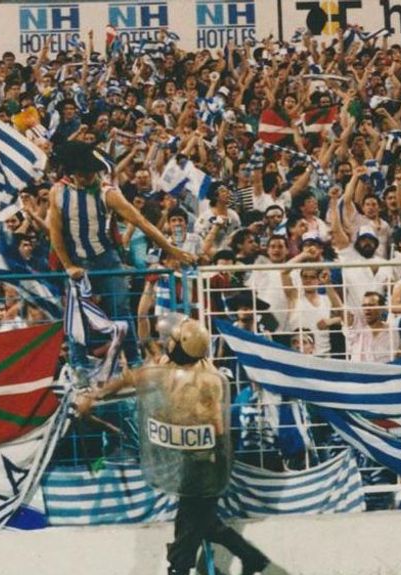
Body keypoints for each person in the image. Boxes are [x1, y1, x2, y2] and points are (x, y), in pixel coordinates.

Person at [76, 319, 270, 575]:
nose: (167, 343)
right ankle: (250, 558)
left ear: (182, 347)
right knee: (201, 521)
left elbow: (132, 379)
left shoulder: (205, 381)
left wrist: (94, 397)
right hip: (191, 460)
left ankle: (179, 568)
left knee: (189, 521)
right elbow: (132, 377)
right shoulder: (179, 367)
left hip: (205, 461)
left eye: (173, 340)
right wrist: (96, 395)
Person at [46, 141, 195, 375]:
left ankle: (134, 360)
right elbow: (54, 232)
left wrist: (172, 250)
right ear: (72, 174)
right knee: (77, 313)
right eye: (83, 174)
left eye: (91, 173)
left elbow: (141, 222)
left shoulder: (108, 193)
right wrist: (68, 265)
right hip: (75, 258)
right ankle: (79, 366)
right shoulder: (58, 192)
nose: (88, 177)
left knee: (120, 308)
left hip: (105, 257)